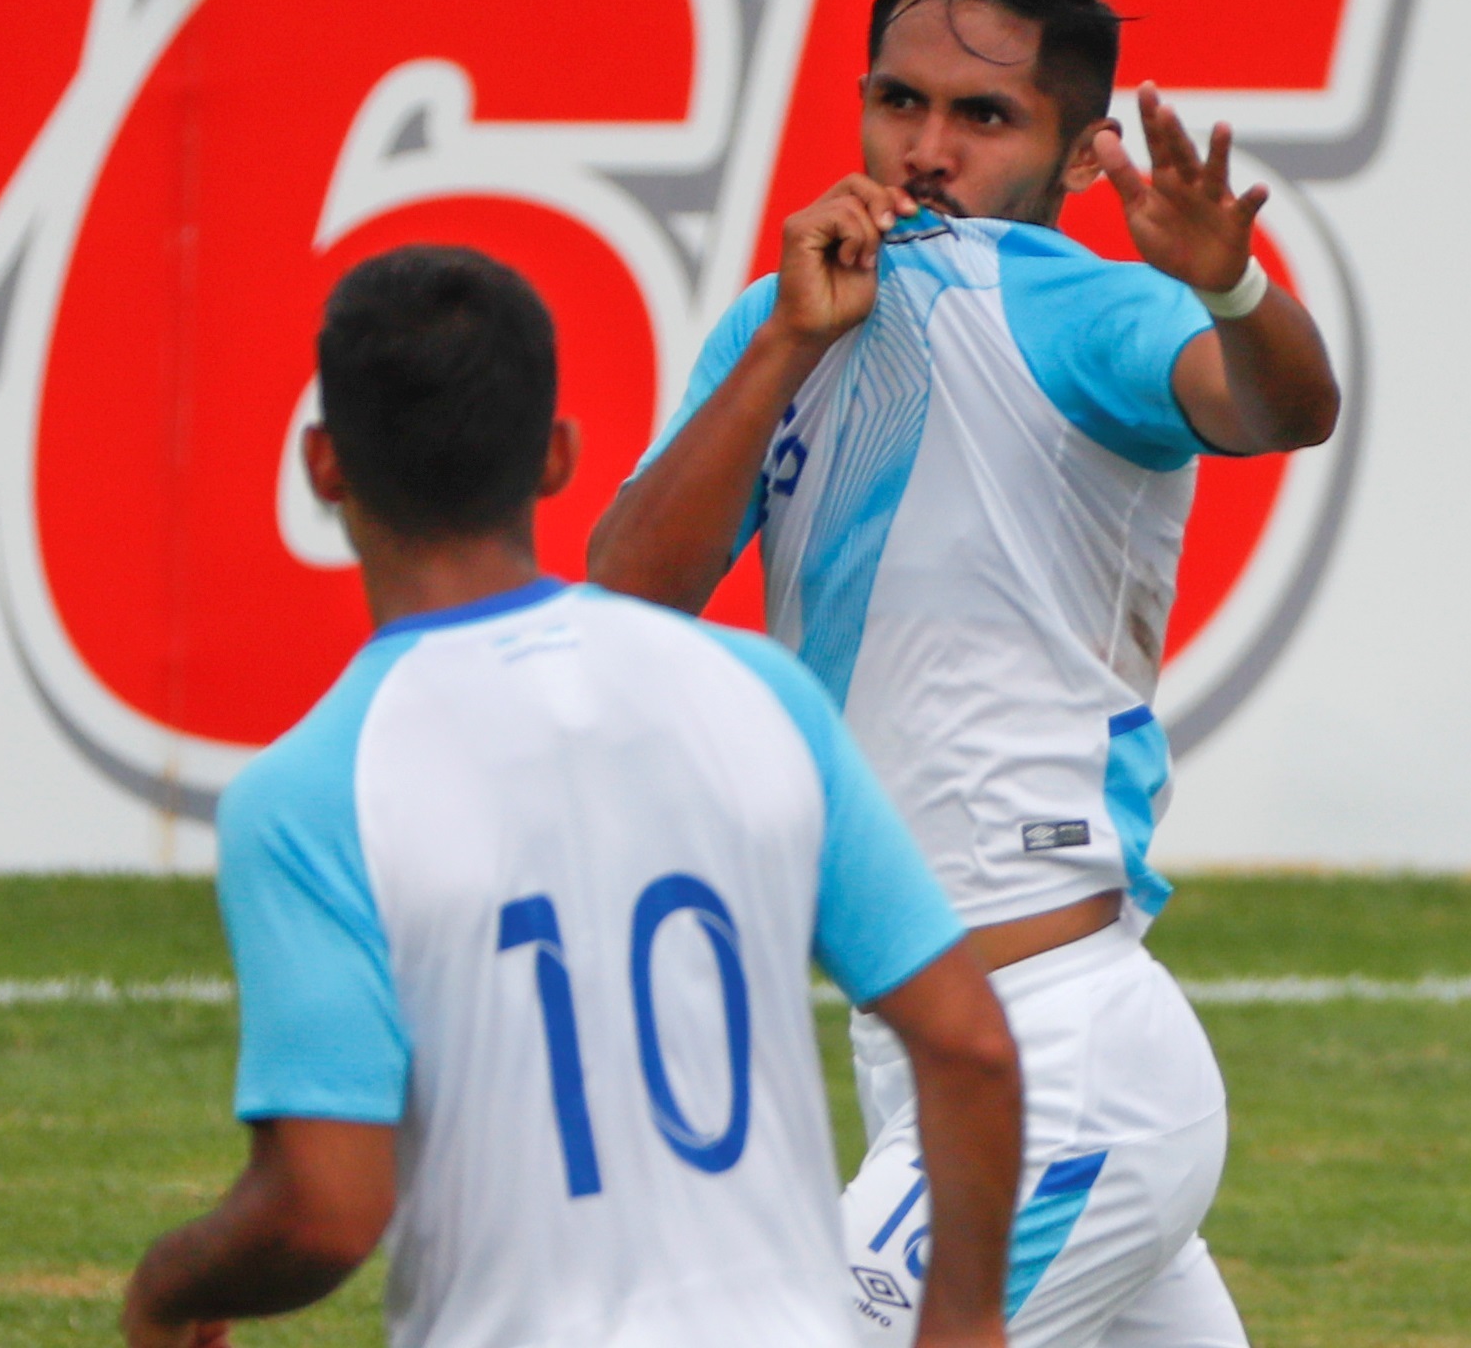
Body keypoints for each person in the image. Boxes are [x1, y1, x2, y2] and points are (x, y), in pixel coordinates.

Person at [589, 0, 1339, 1348]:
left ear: (1075, 150)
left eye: (982, 117)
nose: (926, 149)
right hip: (926, 1048)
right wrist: (790, 345)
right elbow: (627, 599)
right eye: (898, 101)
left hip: (1060, 1061)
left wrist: (1231, 282)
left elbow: (1283, 406)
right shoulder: (781, 318)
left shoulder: (1084, 312)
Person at [122, 245, 1024, 1348]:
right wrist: (966, 1321)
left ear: (321, 465)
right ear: (557, 458)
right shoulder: (756, 693)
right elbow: (971, 1043)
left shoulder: (311, 792)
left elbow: (323, 1210)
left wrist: (170, 1285)